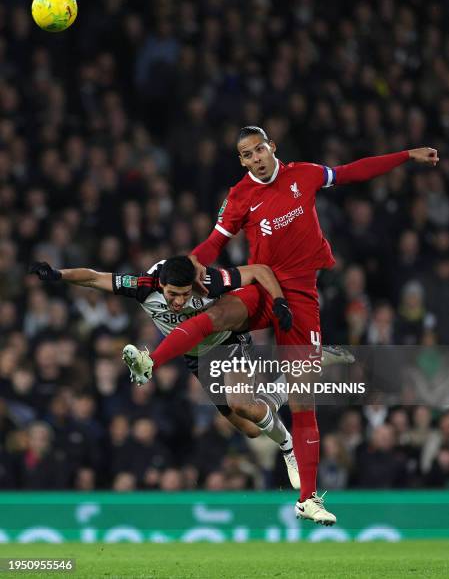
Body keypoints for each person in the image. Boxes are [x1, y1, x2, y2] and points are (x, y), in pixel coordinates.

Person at [124, 126, 438, 525]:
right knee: (216, 316)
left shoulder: (304, 174)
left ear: (272, 147)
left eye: (260, 150)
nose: (256, 159)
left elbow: (351, 172)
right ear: (241, 161)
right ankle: (151, 360)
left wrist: (405, 155)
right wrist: (193, 263)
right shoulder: (239, 196)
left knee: (303, 400)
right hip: (260, 284)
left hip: (301, 296)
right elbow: (212, 244)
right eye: (247, 155)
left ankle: (307, 498)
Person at [30, 256, 302, 488]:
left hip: (227, 342)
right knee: (251, 429)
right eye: (173, 294)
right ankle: (286, 386)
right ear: (161, 284)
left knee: (241, 404)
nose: (180, 301)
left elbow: (259, 271)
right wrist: (57, 274)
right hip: (197, 358)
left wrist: (279, 301)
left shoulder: (206, 280)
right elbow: (93, 278)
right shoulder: (142, 286)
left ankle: (290, 447)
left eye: (185, 294)